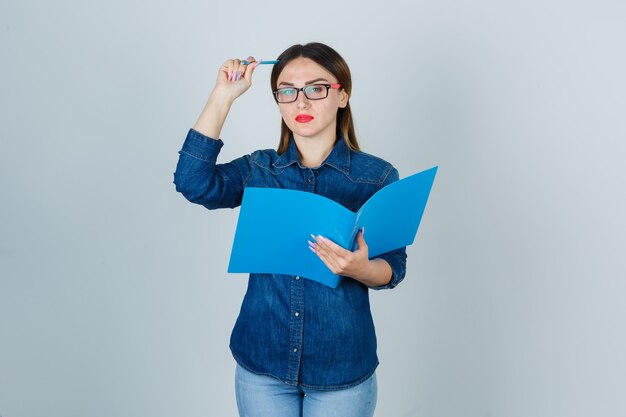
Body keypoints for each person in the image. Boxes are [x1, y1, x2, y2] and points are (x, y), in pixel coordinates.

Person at [173, 42, 407, 417]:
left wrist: (361, 270)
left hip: (341, 368)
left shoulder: (376, 177)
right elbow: (192, 183)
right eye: (287, 91)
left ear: (342, 95)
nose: (301, 102)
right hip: (262, 362)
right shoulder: (259, 170)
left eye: (316, 88)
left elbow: (394, 266)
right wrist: (223, 96)